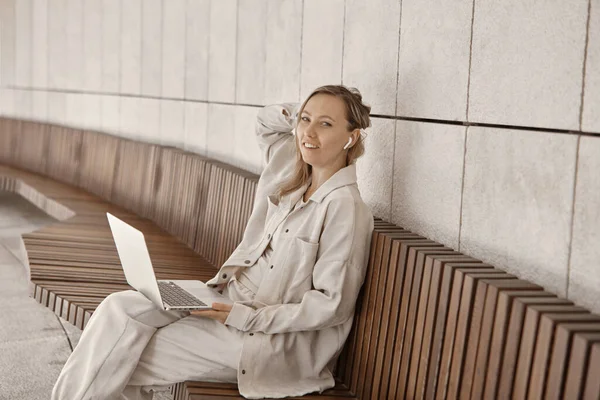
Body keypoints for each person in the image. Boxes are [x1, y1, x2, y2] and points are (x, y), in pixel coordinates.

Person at [51, 84, 375, 400]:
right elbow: (266, 122)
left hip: (262, 338)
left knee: (124, 354)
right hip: (222, 297)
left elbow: (332, 305)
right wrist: (304, 116)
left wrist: (245, 317)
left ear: (352, 137)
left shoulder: (345, 208)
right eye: (306, 119)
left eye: (326, 124)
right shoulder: (290, 172)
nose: (310, 133)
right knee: (118, 308)